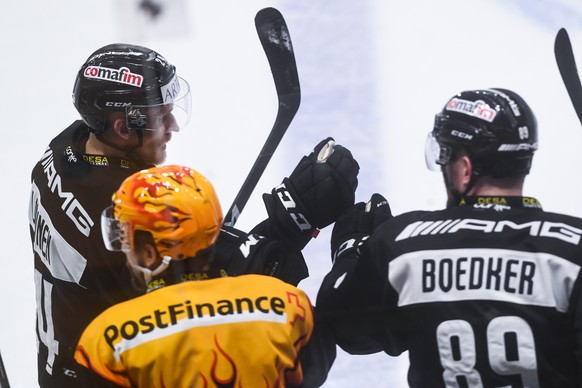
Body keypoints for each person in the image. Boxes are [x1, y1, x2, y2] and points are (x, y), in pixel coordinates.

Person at [29, 42, 358, 387]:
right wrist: (291, 222)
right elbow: (221, 310)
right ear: (123, 128)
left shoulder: (66, 153)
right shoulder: (114, 214)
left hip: (81, 361)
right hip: (114, 373)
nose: (173, 124)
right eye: (160, 116)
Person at [316, 88, 582, 387]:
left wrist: (350, 251)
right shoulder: (573, 249)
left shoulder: (404, 245)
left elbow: (345, 328)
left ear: (465, 169)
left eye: (446, 157)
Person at [74, 164, 332, 387]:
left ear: (149, 253)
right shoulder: (287, 305)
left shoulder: (110, 339)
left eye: (126, 239)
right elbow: (315, 368)